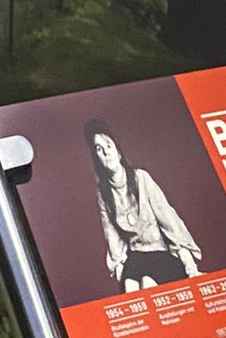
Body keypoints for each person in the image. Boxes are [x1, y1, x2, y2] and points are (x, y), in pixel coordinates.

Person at [84, 120, 202, 291]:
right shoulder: (104, 193)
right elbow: (111, 234)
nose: (106, 152)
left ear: (118, 152)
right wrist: (119, 267)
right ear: (97, 159)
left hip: (160, 254)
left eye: (108, 146)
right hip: (136, 257)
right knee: (130, 287)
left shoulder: (141, 178)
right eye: (99, 149)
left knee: (147, 283)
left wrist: (190, 267)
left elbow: (169, 219)